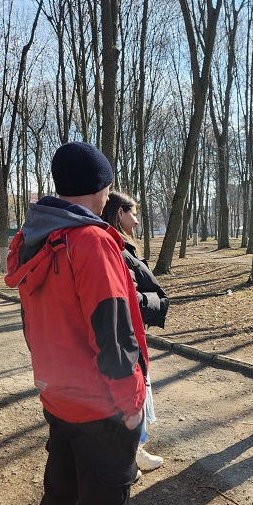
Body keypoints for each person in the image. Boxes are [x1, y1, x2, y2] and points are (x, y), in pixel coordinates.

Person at [5, 141, 158, 505]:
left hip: (58, 395)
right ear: (100, 188)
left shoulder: (32, 238)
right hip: (99, 407)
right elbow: (113, 333)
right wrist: (133, 403)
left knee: (60, 497)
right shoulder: (90, 242)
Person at [102, 191, 169, 473]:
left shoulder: (122, 245)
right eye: (134, 213)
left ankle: (133, 451)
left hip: (133, 331)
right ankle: (129, 456)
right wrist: (154, 301)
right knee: (132, 391)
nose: (138, 221)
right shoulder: (116, 248)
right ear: (119, 213)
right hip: (127, 334)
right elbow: (128, 296)